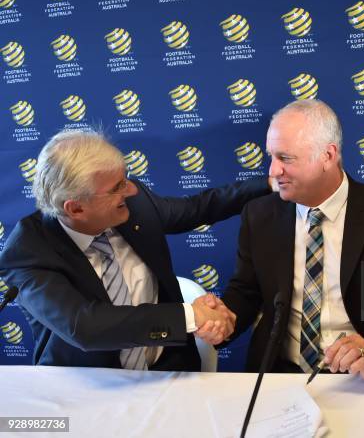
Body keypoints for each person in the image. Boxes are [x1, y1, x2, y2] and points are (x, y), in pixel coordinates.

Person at [0, 129, 270, 371]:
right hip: (83, 384)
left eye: (125, 179)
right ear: (76, 208)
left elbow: (196, 208)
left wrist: (269, 185)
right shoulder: (28, 251)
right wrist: (191, 315)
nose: (131, 190)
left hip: (167, 371)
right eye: (117, 188)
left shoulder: (135, 205)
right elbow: (84, 325)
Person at [208, 99, 364, 382]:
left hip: (363, 376)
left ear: (328, 155)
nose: (273, 171)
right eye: (271, 157)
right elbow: (246, 292)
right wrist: (223, 319)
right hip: (281, 374)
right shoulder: (259, 214)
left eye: (286, 158)